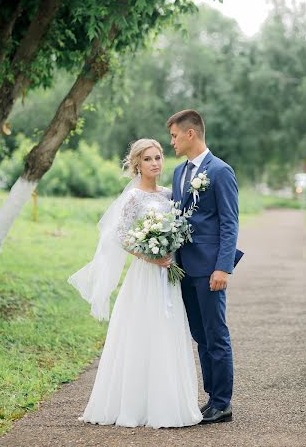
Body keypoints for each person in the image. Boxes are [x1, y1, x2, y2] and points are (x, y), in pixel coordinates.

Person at [67, 138, 202, 429]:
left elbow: (177, 227)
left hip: (168, 275)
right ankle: (132, 405)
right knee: (142, 332)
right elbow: (121, 236)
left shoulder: (169, 195)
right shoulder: (133, 198)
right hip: (145, 274)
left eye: (158, 157)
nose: (155, 163)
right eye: (148, 159)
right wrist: (151, 255)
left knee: (167, 330)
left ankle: (168, 403)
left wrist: (169, 248)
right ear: (137, 164)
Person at [167, 109, 239, 424]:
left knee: (216, 334)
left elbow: (229, 222)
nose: (171, 142)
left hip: (210, 269)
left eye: (174, 135)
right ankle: (212, 398)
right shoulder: (178, 172)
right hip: (184, 268)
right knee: (200, 334)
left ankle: (223, 402)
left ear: (191, 134)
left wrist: (223, 267)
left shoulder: (220, 171)